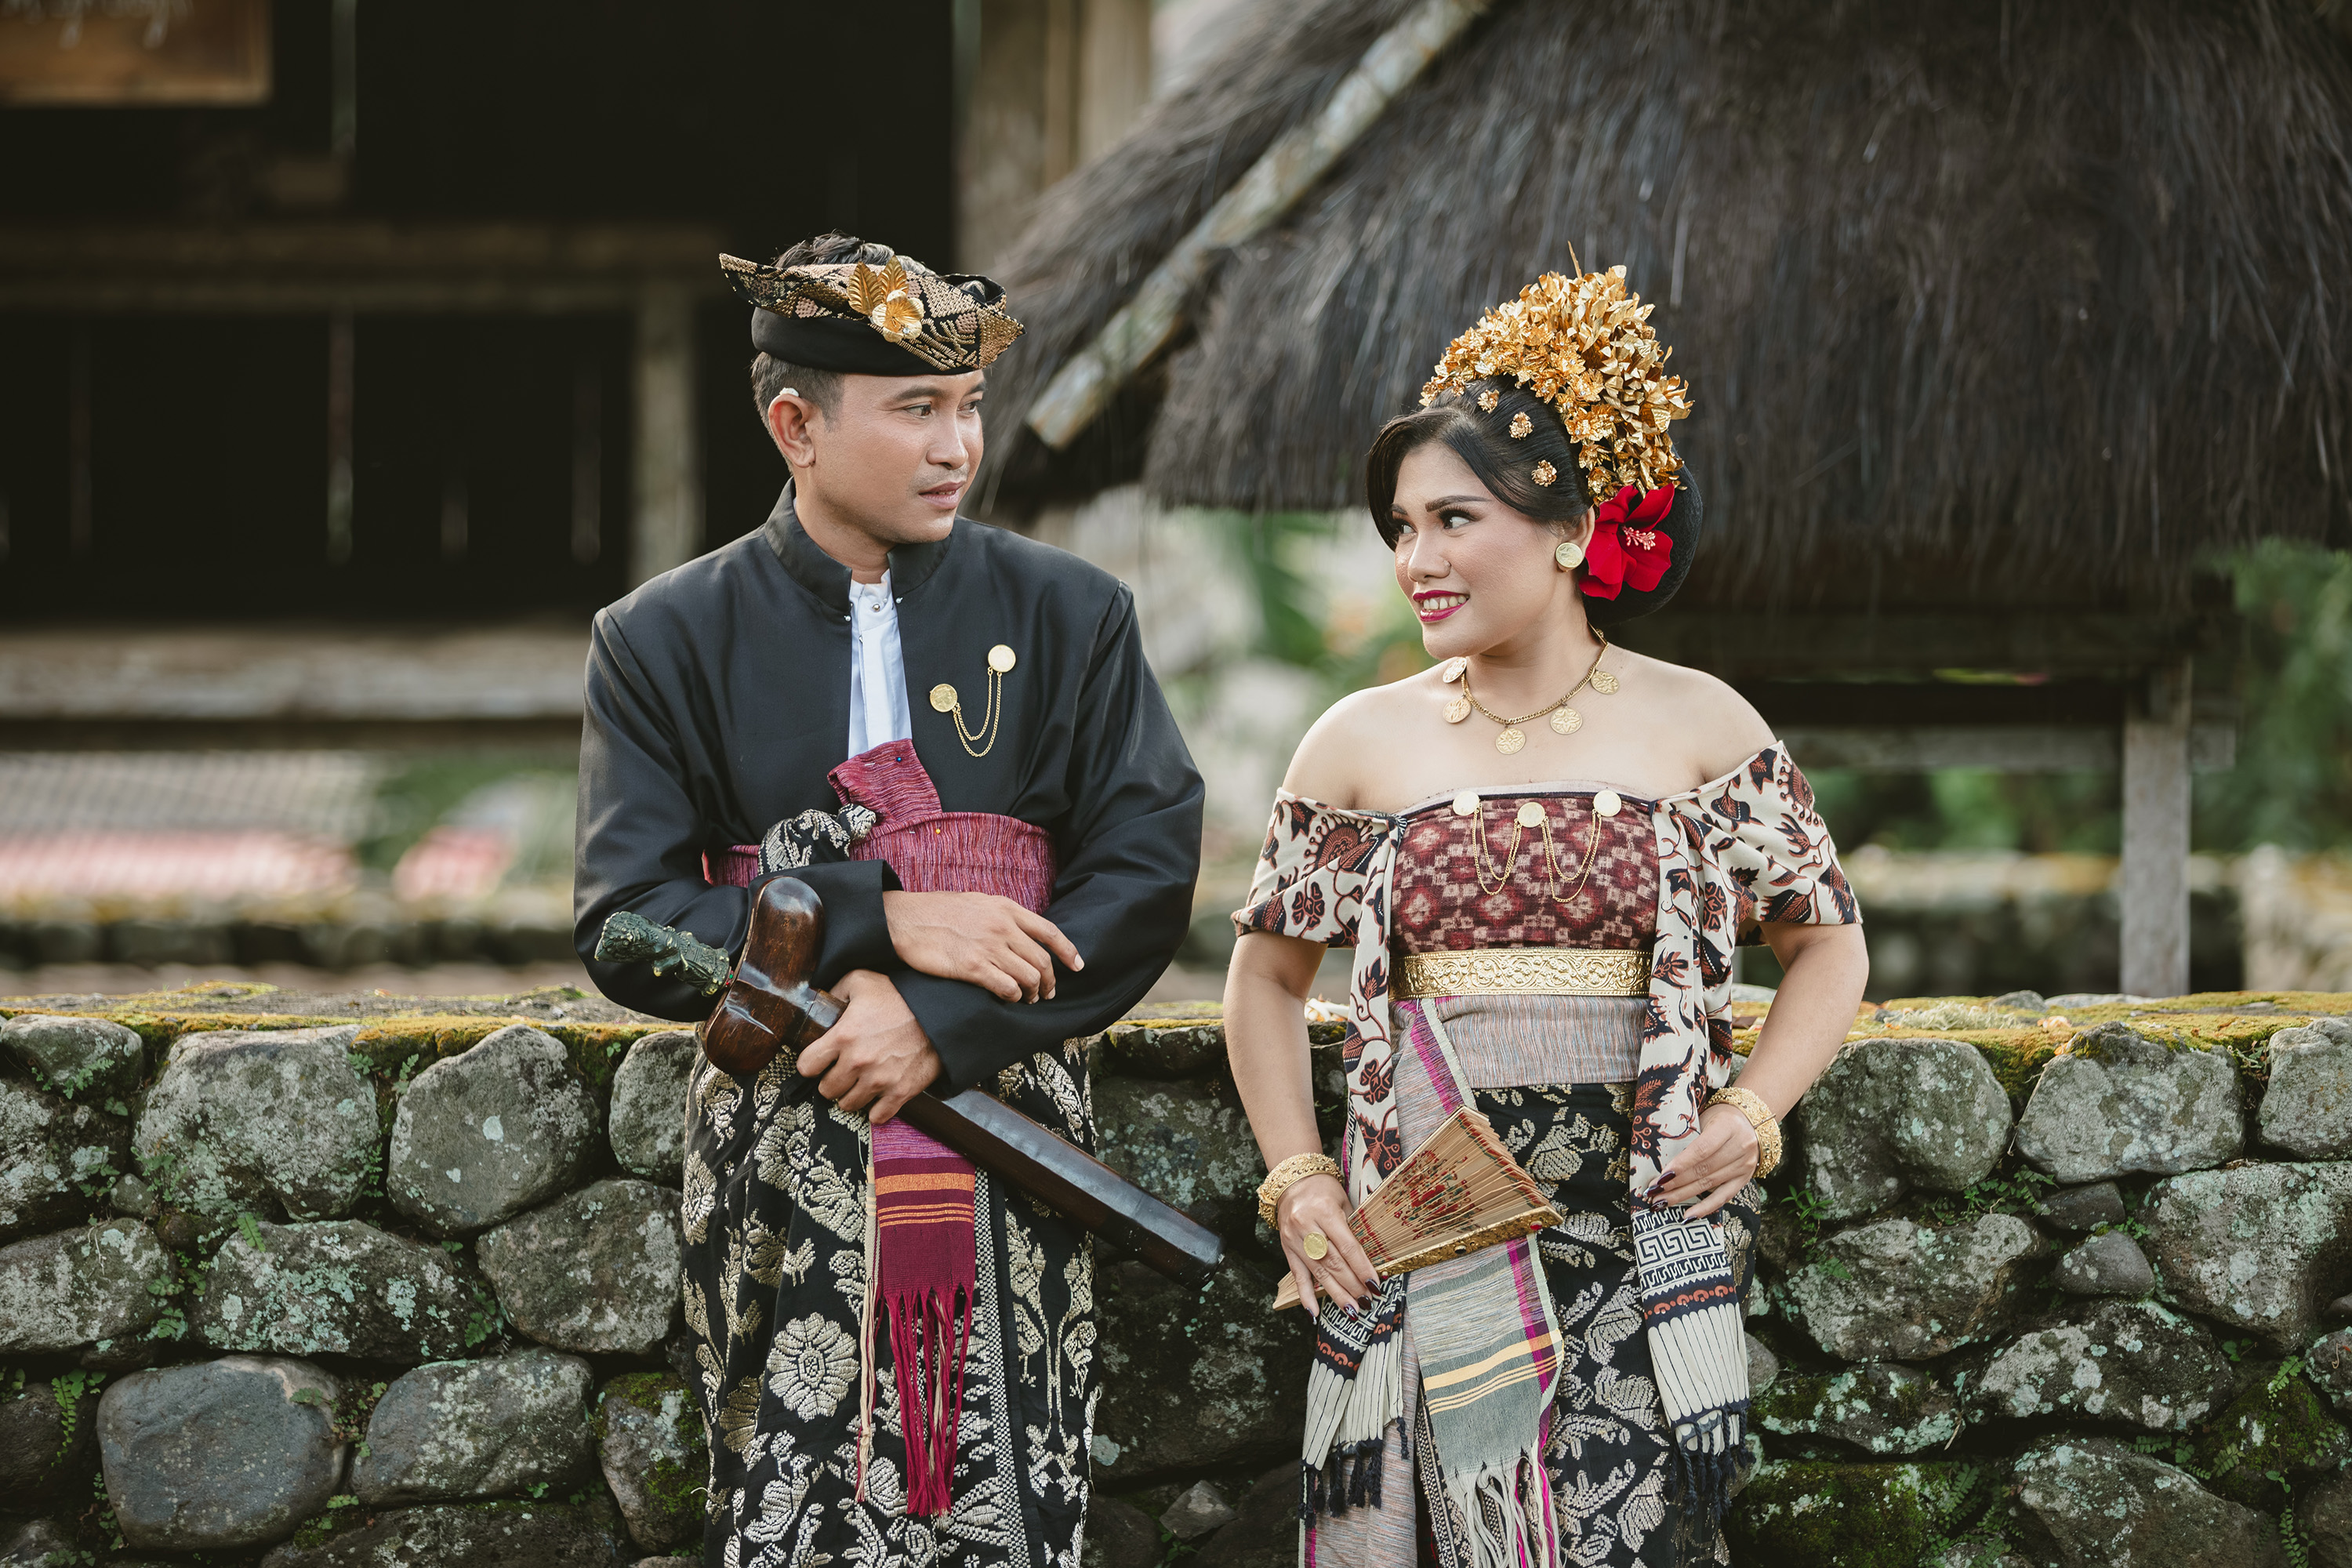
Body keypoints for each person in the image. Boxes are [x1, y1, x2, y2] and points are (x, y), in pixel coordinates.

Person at [573, 232, 1204, 1568]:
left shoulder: (1073, 613)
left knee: (1007, 1492)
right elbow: (628, 921)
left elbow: (1145, 870)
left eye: (967, 408)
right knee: (792, 1495)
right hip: (781, 1139)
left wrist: (945, 1025)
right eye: (916, 410)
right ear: (795, 426)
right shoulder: (660, 637)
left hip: (1010, 1127)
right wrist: (877, 918)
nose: (955, 448)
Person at [1225, 267, 1869, 1568]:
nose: (1415, 561)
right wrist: (1300, 1180)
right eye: (1403, 528)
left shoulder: (1704, 724)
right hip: (1427, 1231)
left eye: (1454, 520)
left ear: (1573, 530)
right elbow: (1266, 981)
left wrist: (1752, 1116)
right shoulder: (1357, 743)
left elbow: (1828, 943)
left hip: (1645, 1225)